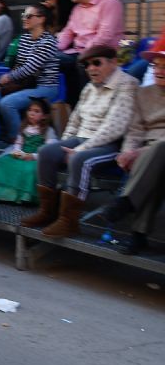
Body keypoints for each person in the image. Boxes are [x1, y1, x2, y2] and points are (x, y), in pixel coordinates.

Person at [20, 45, 136, 237]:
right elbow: (75, 120)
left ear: (113, 62)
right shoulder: (90, 87)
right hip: (82, 138)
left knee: (79, 159)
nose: (91, 68)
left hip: (110, 145)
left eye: (97, 63)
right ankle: (48, 212)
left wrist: (81, 148)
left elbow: (115, 127)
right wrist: (65, 144)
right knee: (46, 152)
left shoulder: (127, 84)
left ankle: (68, 221)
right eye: (87, 65)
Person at [91, 38, 165, 255]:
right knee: (155, 163)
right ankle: (138, 235)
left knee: (159, 151)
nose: (160, 70)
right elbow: (135, 131)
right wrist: (127, 153)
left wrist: (138, 152)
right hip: (151, 153)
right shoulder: (144, 93)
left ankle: (125, 204)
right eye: (157, 66)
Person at [57, 0, 123, 106]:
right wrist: (48, 48)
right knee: (47, 59)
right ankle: (41, 105)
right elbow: (67, 34)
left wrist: (84, 54)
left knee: (83, 63)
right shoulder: (77, 9)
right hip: (78, 53)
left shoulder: (109, 2)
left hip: (103, 52)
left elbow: (105, 35)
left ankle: (84, 106)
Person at [0, 4, 59, 141]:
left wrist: (7, 78)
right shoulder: (24, 39)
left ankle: (18, 140)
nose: (24, 19)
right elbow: (20, 65)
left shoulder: (48, 41)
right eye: (23, 16)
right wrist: (3, 85)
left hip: (45, 87)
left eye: (28, 16)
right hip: (26, 84)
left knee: (7, 103)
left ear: (41, 19)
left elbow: (30, 68)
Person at [0, 98, 56, 204]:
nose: (31, 113)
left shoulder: (48, 131)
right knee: (1, 163)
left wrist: (33, 156)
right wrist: (17, 151)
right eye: (30, 110)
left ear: (44, 116)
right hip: (22, 154)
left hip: (36, 157)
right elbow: (18, 143)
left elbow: (49, 149)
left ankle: (23, 197)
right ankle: (2, 194)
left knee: (29, 169)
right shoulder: (24, 127)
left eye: (36, 111)